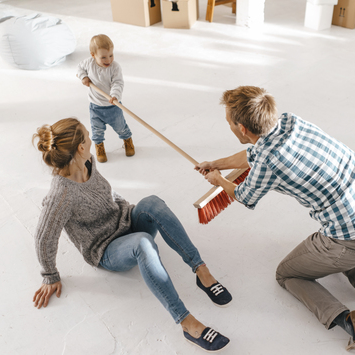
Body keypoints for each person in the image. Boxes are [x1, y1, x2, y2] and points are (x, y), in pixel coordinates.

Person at [195, 86, 355, 355]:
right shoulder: (292, 122)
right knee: (336, 239)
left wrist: (218, 181)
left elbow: (244, 196)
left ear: (242, 128)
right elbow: (253, 154)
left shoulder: (269, 161)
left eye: (229, 123)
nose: (228, 127)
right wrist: (217, 164)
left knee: (287, 273)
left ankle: (352, 323)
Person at [32, 117, 232, 352]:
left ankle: (201, 270)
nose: (91, 138)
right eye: (88, 136)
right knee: (143, 243)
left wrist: (127, 208)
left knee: (153, 203)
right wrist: (50, 275)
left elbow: (106, 192)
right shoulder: (61, 195)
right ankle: (186, 322)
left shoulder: (87, 164)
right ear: (81, 147)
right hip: (106, 249)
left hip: (124, 221)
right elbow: (43, 237)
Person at [77, 34, 134, 163]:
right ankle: (99, 147)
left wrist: (114, 95)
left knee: (121, 127)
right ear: (93, 55)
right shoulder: (88, 63)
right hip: (95, 106)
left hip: (113, 106)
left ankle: (127, 140)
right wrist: (83, 77)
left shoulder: (115, 67)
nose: (108, 60)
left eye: (111, 55)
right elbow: (80, 68)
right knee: (96, 130)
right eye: (103, 57)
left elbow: (117, 83)